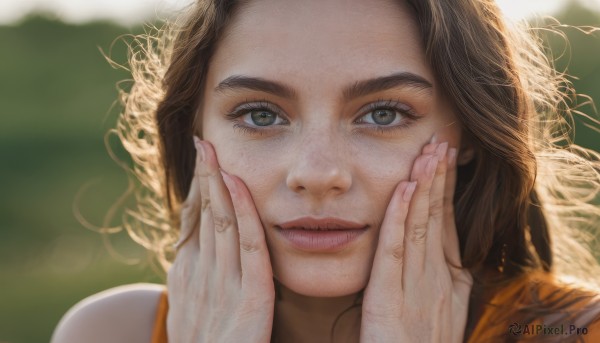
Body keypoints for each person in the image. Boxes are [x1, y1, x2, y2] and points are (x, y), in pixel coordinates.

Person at [51, 0, 600, 342]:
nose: (317, 174)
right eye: (259, 114)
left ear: (470, 136)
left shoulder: (573, 334)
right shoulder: (111, 333)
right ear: (197, 136)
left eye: (383, 114)